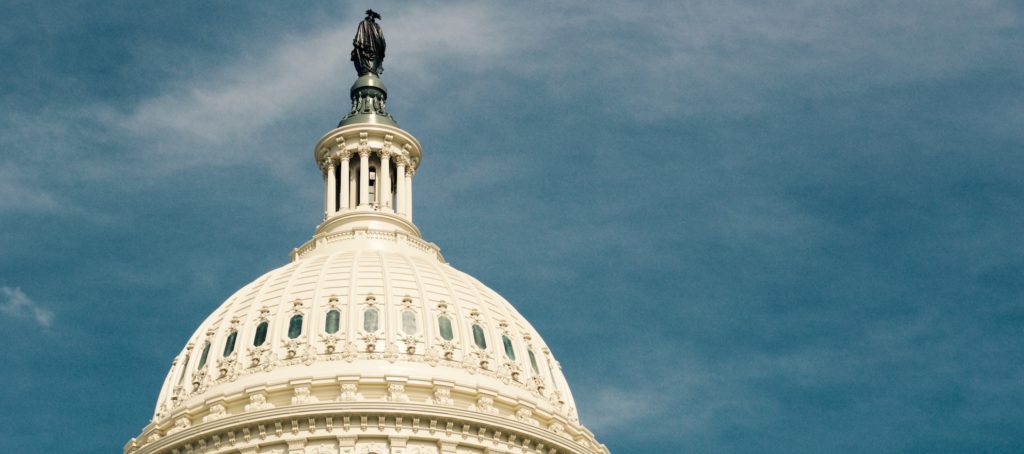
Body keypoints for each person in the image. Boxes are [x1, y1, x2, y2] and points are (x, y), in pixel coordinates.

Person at [351, 10, 385, 76]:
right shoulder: (364, 23)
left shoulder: (376, 26)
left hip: (374, 50)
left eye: (372, 16)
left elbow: (381, 39)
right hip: (367, 49)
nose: (370, 17)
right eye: (370, 16)